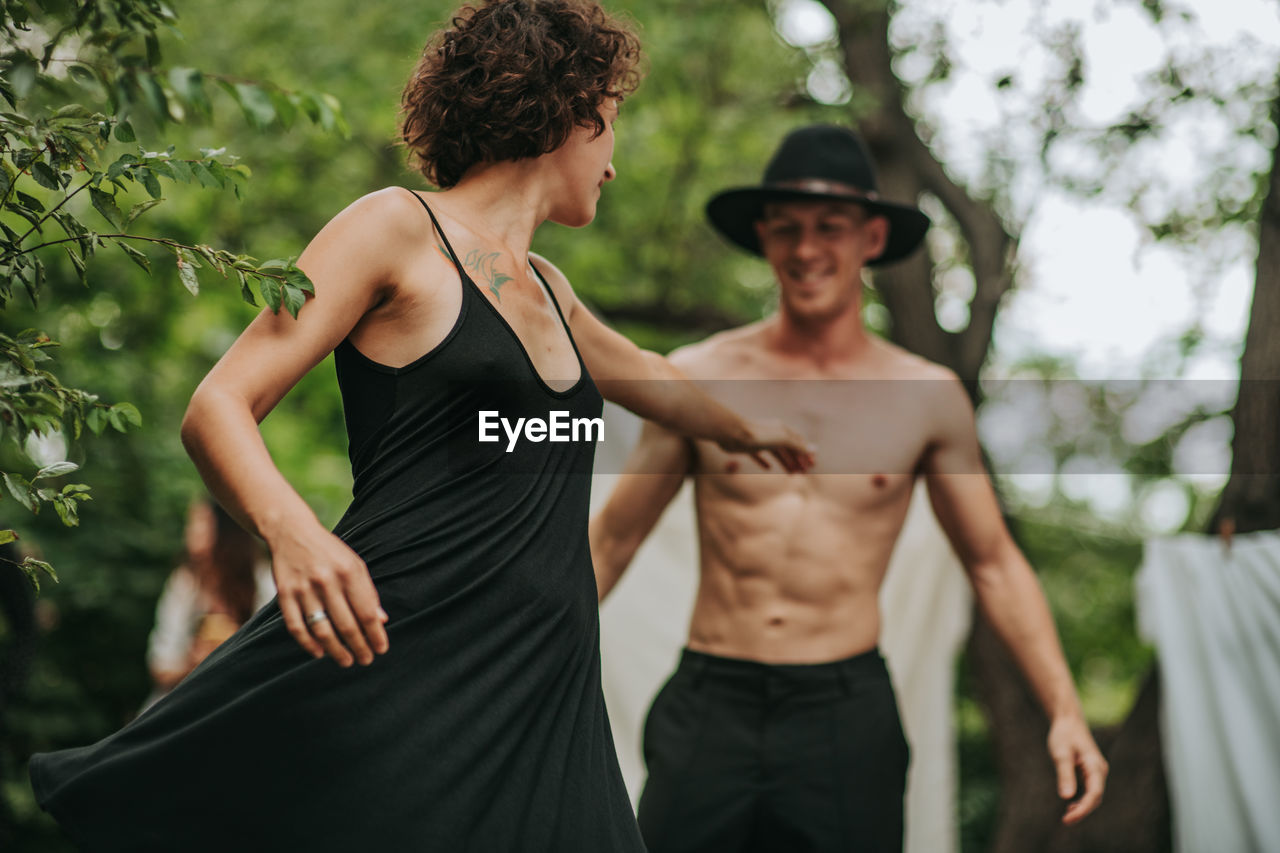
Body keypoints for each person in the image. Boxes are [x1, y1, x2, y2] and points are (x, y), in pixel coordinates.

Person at [27, 3, 814, 850]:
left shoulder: (552, 289)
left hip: (546, 691)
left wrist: (747, 430)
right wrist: (292, 533)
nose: (614, 165)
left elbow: (652, 377)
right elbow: (218, 404)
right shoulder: (395, 229)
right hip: (406, 662)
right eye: (613, 125)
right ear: (573, 106)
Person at [591, 124, 1109, 853]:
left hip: (844, 711)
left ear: (870, 237)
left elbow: (993, 562)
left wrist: (1064, 708)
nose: (807, 251)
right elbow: (613, 539)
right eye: (788, 229)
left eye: (829, 228)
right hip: (712, 701)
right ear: (764, 238)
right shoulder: (701, 376)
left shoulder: (926, 396)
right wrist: (520, 664)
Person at [143, 499, 274, 709]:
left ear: (227, 528)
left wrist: (234, 652)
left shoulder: (264, 583)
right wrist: (193, 665)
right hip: (183, 704)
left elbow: (273, 662)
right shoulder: (184, 584)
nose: (189, 531)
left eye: (199, 522)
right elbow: (160, 666)